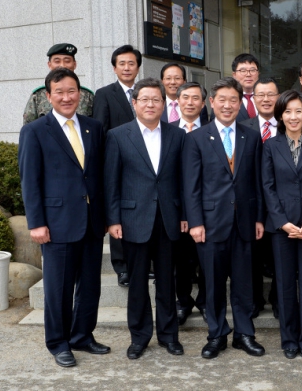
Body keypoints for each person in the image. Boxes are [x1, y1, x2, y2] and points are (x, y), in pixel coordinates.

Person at [19, 68, 109, 367]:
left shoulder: (93, 128)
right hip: (56, 223)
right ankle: (58, 343)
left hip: (91, 221)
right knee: (58, 288)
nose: (67, 97)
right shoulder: (35, 130)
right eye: (60, 92)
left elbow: (97, 175)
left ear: (80, 94)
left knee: (90, 285)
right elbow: (30, 181)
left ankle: (82, 335)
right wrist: (36, 223)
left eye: (72, 91)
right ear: (48, 96)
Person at [183, 77, 266, 359]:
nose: (228, 105)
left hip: (244, 222)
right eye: (222, 100)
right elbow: (190, 185)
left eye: (234, 100)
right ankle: (217, 334)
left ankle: (244, 334)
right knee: (214, 284)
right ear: (212, 102)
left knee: (244, 284)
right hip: (210, 223)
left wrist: (258, 218)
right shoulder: (196, 138)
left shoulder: (251, 135)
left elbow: (257, 181)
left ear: (240, 102)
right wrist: (195, 222)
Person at [104, 78, 186, 360]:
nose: (150, 104)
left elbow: (183, 180)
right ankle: (139, 337)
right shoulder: (117, 135)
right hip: (132, 219)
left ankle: (168, 336)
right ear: (134, 103)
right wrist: (113, 219)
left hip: (168, 217)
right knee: (137, 282)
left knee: (167, 281)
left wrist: (185, 215)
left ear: (164, 104)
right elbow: (111, 181)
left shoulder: (177, 135)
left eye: (156, 100)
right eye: (145, 99)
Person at [262, 90, 302, 359]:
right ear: (280, 115)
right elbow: (267, 187)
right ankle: (289, 338)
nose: (293, 116)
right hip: (282, 228)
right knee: (286, 283)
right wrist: (283, 222)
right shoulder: (270, 145)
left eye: (298, 111)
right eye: (287, 111)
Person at [92, 44, 142, 288]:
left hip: (146, 164)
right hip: (119, 161)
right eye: (121, 63)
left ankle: (144, 262)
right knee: (119, 212)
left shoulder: (146, 91)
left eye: (131, 63)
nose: (126, 67)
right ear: (114, 68)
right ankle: (122, 266)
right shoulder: (105, 93)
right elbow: (100, 130)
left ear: (138, 67)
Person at [241, 77, 281, 319]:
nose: (266, 100)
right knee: (252, 256)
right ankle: (254, 300)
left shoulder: (290, 124)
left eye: (271, 95)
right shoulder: (243, 127)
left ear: (279, 97)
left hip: (282, 201)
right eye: (261, 95)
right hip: (252, 202)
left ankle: (278, 299)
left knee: (279, 256)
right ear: (253, 99)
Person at [171, 81, 208, 325]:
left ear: (204, 103)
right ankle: (183, 302)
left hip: (209, 207)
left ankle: (205, 301)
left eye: (196, 98)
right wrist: (183, 212)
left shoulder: (213, 130)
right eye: (186, 97)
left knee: (207, 259)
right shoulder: (168, 130)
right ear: (178, 101)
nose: (191, 102)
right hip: (176, 208)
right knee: (181, 261)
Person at [23, 43, 94, 124]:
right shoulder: (38, 96)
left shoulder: (88, 96)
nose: (62, 65)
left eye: (67, 61)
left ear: (74, 64)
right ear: (49, 65)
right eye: (57, 61)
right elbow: (28, 126)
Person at [231, 53, 260, 121]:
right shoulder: (225, 100)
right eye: (243, 71)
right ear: (234, 75)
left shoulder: (268, 98)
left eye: (252, 70)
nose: (248, 74)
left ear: (258, 73)